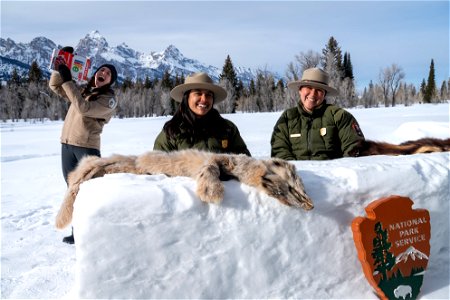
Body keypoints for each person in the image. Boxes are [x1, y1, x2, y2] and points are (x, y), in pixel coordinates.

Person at [49, 46, 118, 244]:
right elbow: (56, 87)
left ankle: (93, 230)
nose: (103, 73)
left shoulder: (108, 100)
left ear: (110, 81)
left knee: (89, 190)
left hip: (86, 148)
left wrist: (69, 79)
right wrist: (61, 66)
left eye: (108, 73)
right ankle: (77, 231)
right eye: (101, 70)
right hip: (68, 145)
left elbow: (83, 107)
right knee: (72, 190)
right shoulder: (83, 90)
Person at [270, 67, 364, 160]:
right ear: (300, 90)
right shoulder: (287, 117)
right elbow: (279, 151)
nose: (313, 94)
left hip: (331, 173)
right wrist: (294, 171)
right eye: (309, 87)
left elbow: (355, 148)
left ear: (324, 94)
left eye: (319, 90)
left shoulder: (340, 116)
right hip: (296, 173)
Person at [153, 72, 251, 156]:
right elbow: (157, 170)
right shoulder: (172, 131)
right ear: (186, 98)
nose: (204, 99)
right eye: (198, 93)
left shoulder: (227, 128)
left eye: (208, 95)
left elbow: (246, 162)